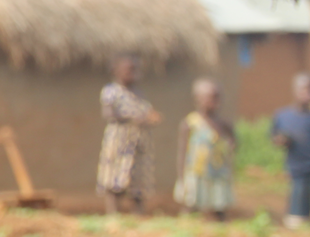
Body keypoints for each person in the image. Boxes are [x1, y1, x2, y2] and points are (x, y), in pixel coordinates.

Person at [96, 54, 162, 214]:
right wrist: (133, 118)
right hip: (119, 141)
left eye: (136, 69)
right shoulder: (111, 91)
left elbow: (145, 113)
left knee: (138, 179)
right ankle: (113, 213)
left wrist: (150, 118)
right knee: (115, 177)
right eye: (129, 69)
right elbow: (108, 114)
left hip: (139, 142)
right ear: (116, 71)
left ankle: (139, 214)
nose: (133, 73)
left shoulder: (138, 93)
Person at [174, 78, 235, 221]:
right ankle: (184, 229)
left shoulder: (223, 124)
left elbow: (233, 141)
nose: (215, 101)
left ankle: (221, 232)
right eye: (211, 97)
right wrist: (181, 178)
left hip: (218, 173)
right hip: (196, 173)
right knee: (191, 204)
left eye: (218, 97)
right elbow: (182, 152)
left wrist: (230, 145)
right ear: (198, 99)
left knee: (219, 206)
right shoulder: (190, 123)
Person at [272, 72, 310, 229]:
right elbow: (275, 138)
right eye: (304, 89)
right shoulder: (283, 116)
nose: (307, 93)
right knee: (297, 205)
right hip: (297, 167)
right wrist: (282, 140)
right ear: (295, 90)